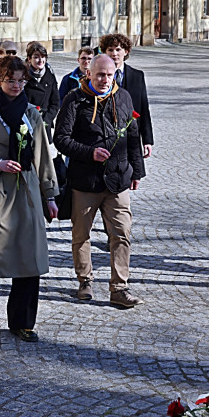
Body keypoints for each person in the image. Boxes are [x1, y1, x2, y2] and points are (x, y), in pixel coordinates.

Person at [0, 56, 58, 342]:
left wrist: (50, 195)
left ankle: (22, 322)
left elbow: (43, 158)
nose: (16, 86)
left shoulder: (32, 114)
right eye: (10, 80)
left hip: (27, 192)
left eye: (21, 80)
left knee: (30, 259)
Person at [54, 55, 145, 308]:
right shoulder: (75, 99)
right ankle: (85, 280)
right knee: (81, 234)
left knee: (122, 234)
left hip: (118, 179)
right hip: (86, 181)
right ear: (89, 74)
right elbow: (60, 138)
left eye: (110, 74)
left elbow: (133, 135)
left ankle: (119, 287)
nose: (105, 80)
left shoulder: (123, 97)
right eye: (100, 75)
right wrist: (88, 152)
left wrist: (137, 171)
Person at [99, 33, 154, 160]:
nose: (114, 54)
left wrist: (147, 140)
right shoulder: (99, 76)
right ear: (104, 52)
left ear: (126, 51)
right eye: (110, 50)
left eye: (118, 49)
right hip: (105, 136)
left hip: (131, 136)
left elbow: (143, 108)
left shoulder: (137, 76)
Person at [24, 42, 60, 139]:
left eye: (43, 57)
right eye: (36, 57)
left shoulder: (50, 75)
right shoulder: (23, 76)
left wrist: (47, 119)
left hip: (44, 123)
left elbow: (55, 102)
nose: (40, 60)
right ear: (29, 59)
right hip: (27, 124)